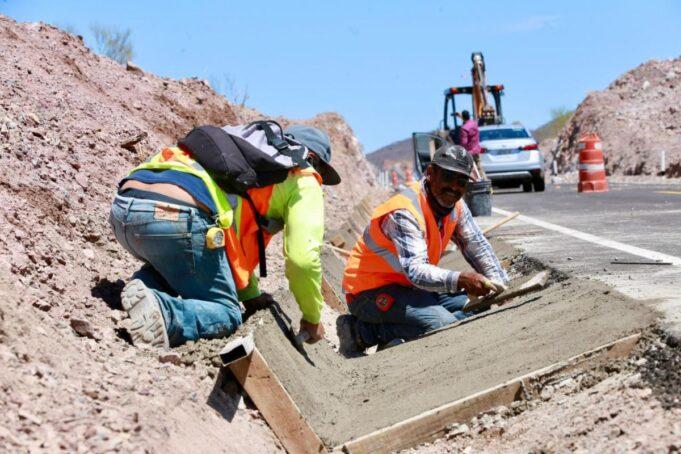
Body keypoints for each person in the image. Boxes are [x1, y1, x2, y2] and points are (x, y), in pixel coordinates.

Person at [109, 124, 340, 349]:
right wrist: (312, 317)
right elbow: (303, 260)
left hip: (124, 210)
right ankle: (165, 313)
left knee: (182, 261)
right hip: (176, 221)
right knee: (227, 314)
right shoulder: (302, 177)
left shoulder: (244, 154)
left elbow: (234, 239)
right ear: (314, 159)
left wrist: (251, 295)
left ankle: (145, 287)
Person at [338, 144, 508, 355]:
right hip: (368, 291)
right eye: (448, 176)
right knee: (443, 325)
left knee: (481, 303)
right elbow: (416, 271)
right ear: (430, 173)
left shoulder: (456, 206)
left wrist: (499, 285)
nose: (454, 187)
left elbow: (476, 245)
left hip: (411, 289)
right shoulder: (404, 211)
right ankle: (361, 332)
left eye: (461, 181)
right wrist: (462, 279)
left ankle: (405, 333)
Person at [456, 110, 486, 179]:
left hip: (469, 152)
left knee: (469, 170)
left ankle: (475, 183)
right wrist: (461, 116)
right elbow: (467, 121)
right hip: (476, 150)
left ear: (463, 117)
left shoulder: (464, 128)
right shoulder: (474, 123)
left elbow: (464, 142)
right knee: (479, 167)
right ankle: (484, 180)